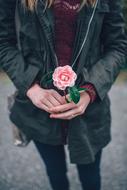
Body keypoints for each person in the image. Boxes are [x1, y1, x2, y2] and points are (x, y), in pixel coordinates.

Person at [0, 0, 127, 189]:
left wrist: (90, 91)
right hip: (38, 111)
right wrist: (31, 88)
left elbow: (117, 47)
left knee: (91, 178)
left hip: (89, 110)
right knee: (55, 174)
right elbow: (4, 43)